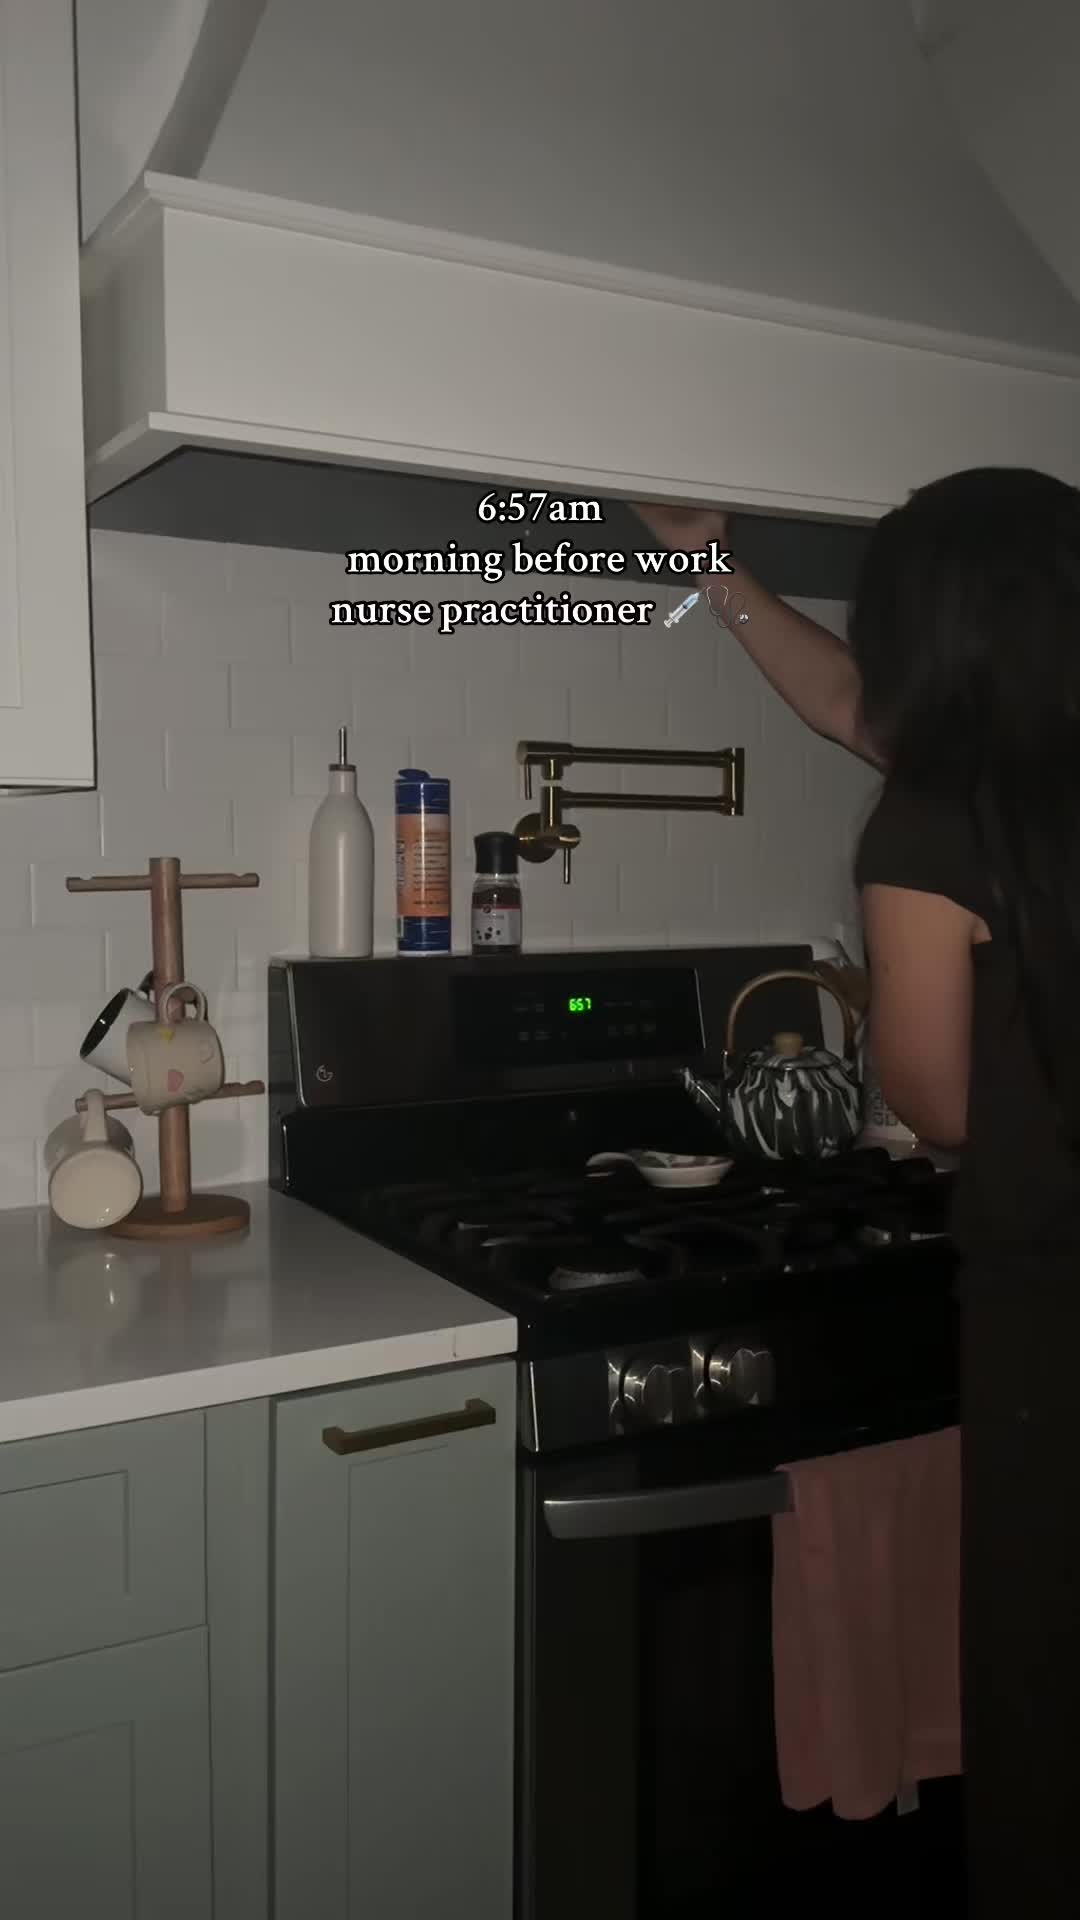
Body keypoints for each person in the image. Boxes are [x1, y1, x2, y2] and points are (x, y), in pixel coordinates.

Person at [637, 474, 1080, 1916]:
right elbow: (845, 704)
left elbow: (936, 1103)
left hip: (1051, 1305)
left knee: (1045, 1687)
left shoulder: (933, 821)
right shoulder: (1031, 767)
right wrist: (712, 568)